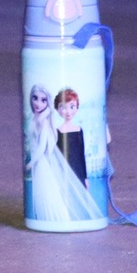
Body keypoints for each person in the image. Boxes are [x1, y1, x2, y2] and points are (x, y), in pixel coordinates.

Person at [25, 83, 103, 226]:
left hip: (77, 169)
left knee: (79, 196)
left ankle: (77, 220)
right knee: (64, 196)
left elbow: (81, 154)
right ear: (57, 108)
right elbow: (53, 152)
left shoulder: (78, 130)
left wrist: (85, 177)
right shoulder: (56, 131)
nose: (68, 111)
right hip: (62, 169)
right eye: (63, 107)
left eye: (72, 107)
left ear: (77, 107)